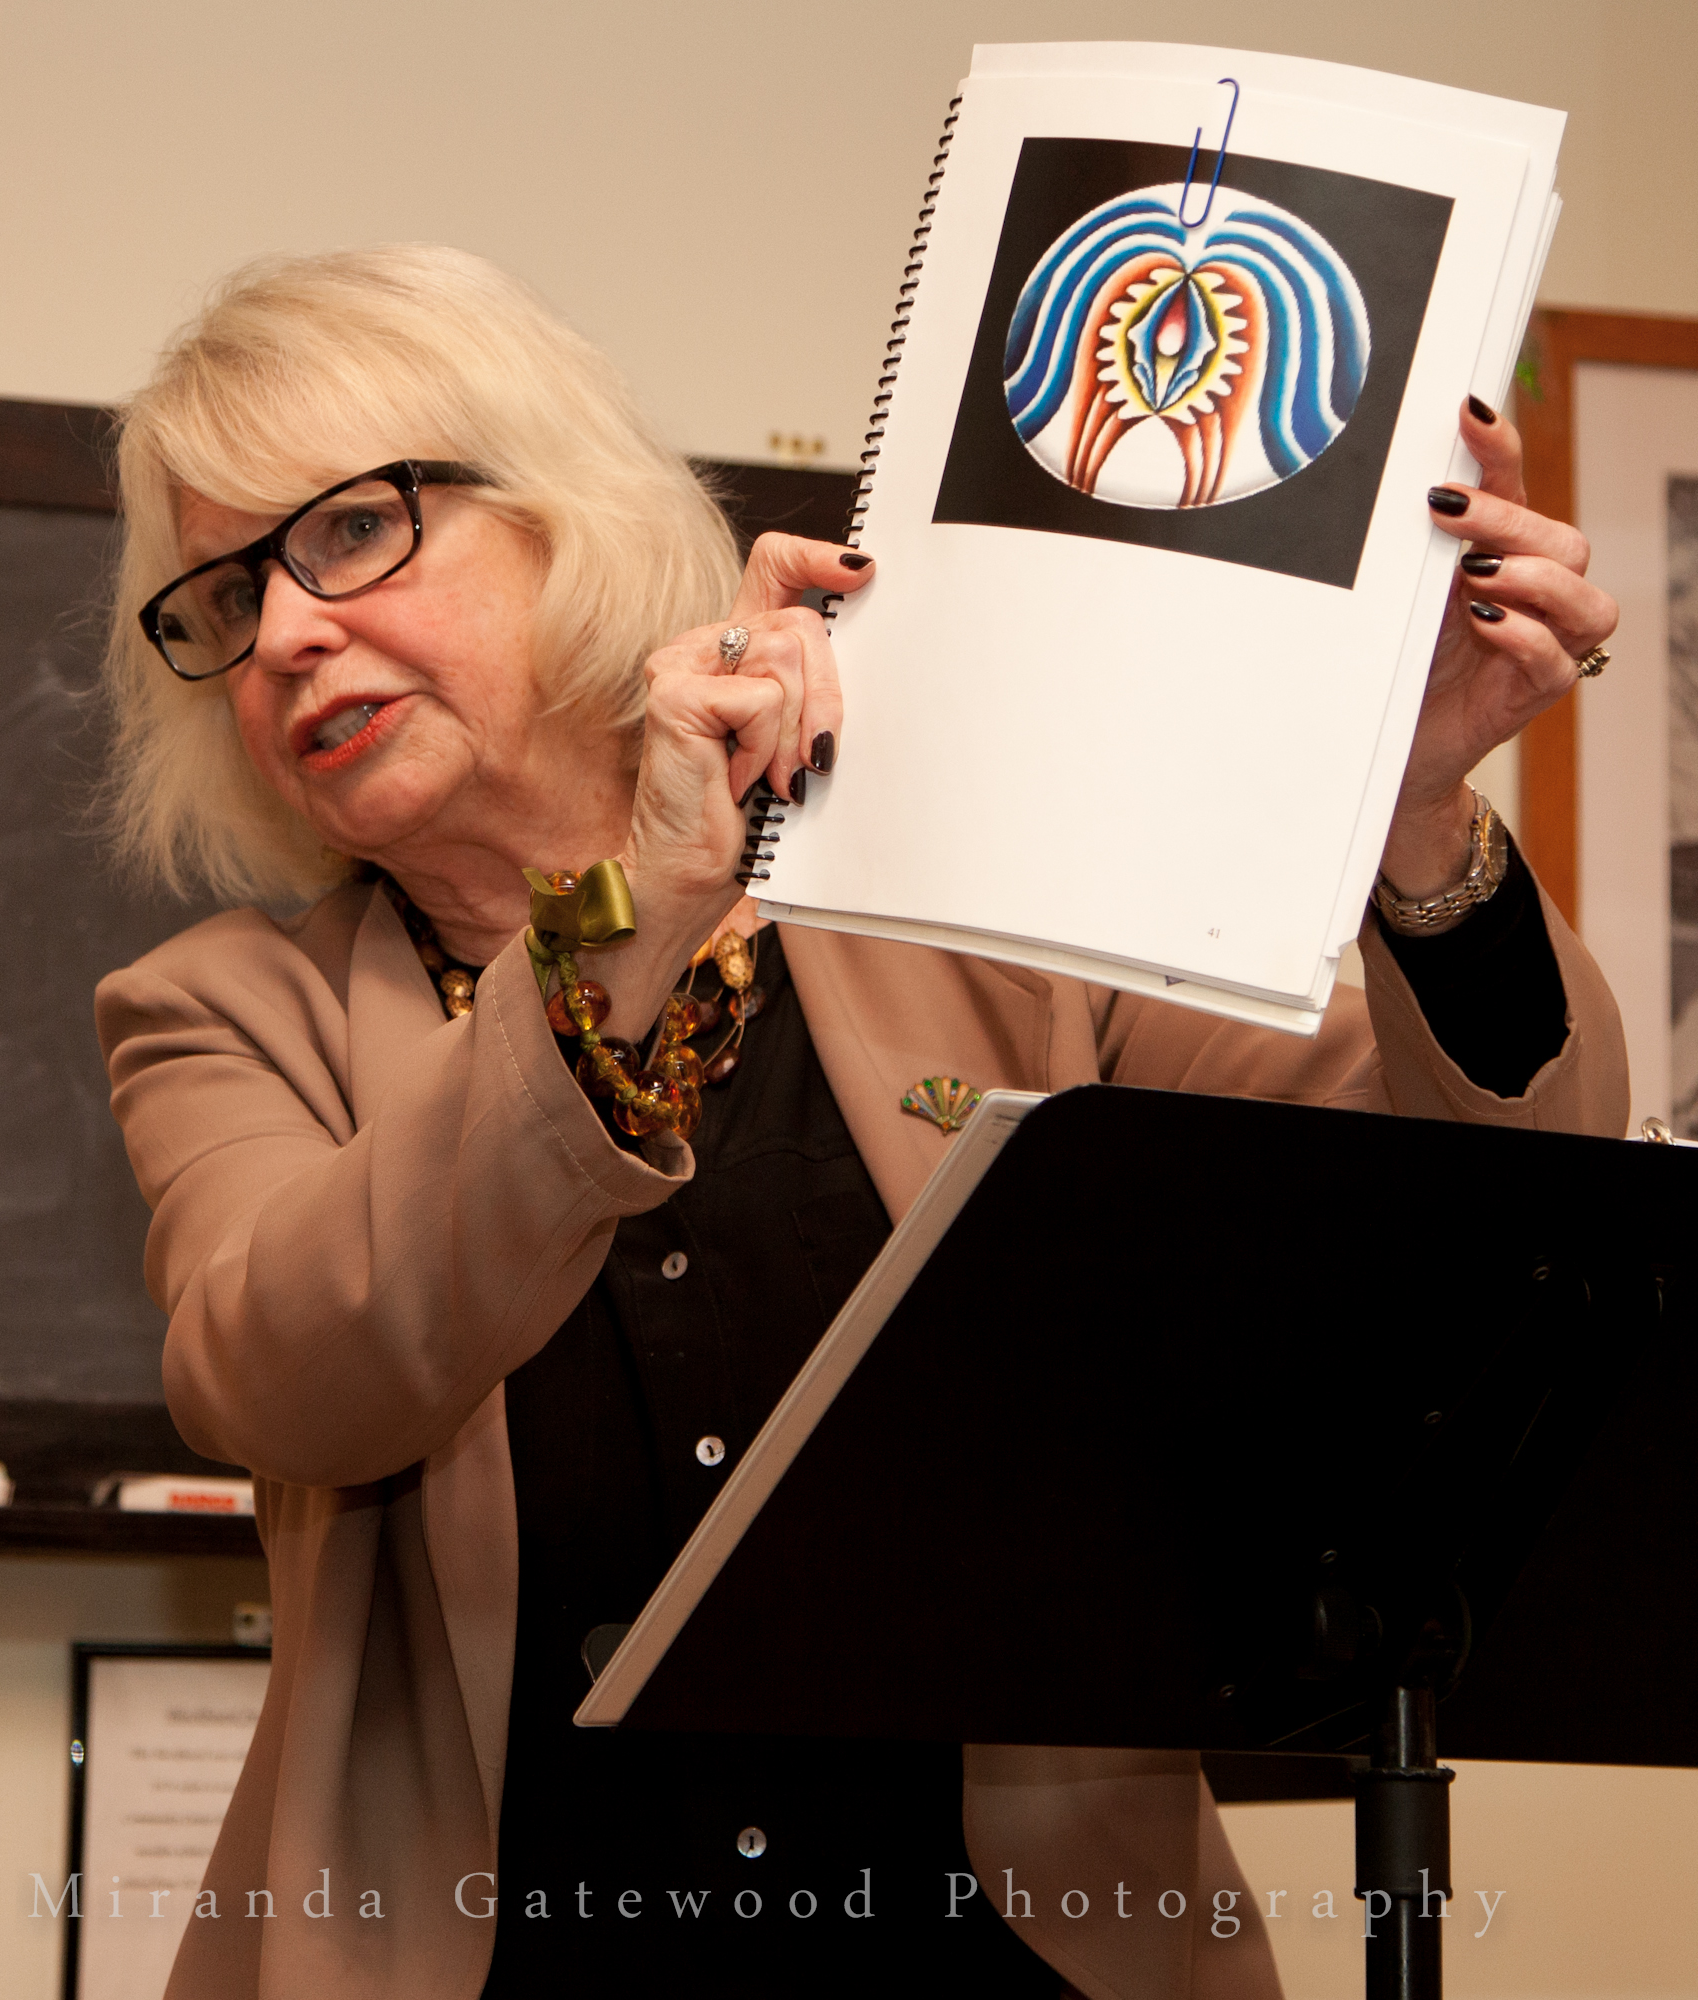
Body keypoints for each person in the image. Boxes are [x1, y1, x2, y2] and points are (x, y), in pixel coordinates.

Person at [94, 245, 1626, 2000]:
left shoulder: (968, 889)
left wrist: (1418, 814)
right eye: (226, 597)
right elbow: (289, 1375)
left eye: (353, 530)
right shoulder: (224, 1011)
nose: (285, 633)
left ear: (561, 516)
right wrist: (630, 913)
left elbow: (1484, 1214)